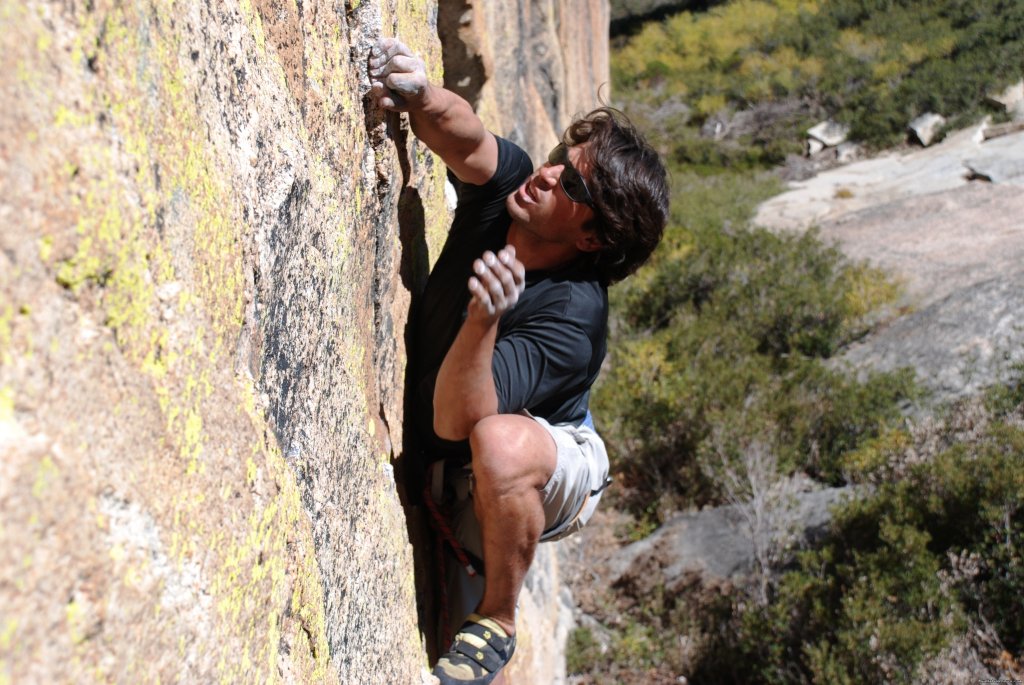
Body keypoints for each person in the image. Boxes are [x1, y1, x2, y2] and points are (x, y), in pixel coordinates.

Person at [369, 37, 669, 685]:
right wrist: (419, 92)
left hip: (548, 451)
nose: (550, 172)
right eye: (564, 157)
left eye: (575, 182)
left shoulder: (571, 319)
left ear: (593, 236)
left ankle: (499, 619)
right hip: (465, 451)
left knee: (499, 447)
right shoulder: (511, 192)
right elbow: (464, 137)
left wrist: (483, 318)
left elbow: (458, 420)